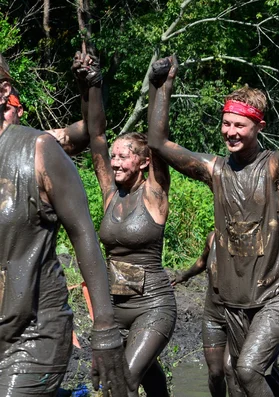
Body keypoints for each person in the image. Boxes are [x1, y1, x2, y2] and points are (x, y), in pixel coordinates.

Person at [148, 54, 279, 397]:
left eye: (240, 125)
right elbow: (158, 143)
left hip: (275, 293)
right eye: (226, 123)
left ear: (259, 127)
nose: (230, 132)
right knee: (248, 382)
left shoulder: (274, 170)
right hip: (235, 299)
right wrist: (162, 87)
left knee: (247, 371)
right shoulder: (215, 170)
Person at [0, 54, 129, 396]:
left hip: (32, 333)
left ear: (4, 93)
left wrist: (104, 328)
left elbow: (83, 234)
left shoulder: (40, 149)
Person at [85, 52, 176, 396]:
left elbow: (159, 139)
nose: (116, 160)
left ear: (143, 162)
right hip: (115, 307)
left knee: (121, 383)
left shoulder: (154, 193)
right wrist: (94, 85)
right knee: (150, 384)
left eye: (124, 155)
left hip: (152, 307)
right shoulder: (110, 193)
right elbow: (96, 138)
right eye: (115, 155)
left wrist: (159, 88)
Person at [171, 231, 243, 397]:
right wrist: (183, 276)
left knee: (231, 368)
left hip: (237, 315)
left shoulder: (247, 241)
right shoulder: (212, 238)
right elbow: (202, 262)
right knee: (215, 373)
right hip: (213, 316)